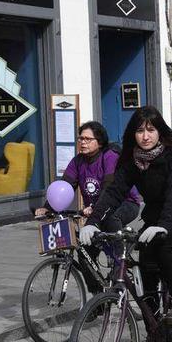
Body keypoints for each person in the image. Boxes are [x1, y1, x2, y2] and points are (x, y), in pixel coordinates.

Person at [79, 106, 172, 342]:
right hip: (153, 222)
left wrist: (166, 225)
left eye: (150, 129)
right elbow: (113, 193)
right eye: (139, 130)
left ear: (159, 131)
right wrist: (92, 223)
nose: (145, 136)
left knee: (164, 243)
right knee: (146, 270)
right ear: (132, 134)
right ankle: (155, 334)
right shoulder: (131, 160)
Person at [35, 122, 140, 286]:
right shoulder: (77, 161)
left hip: (125, 203)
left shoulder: (110, 156)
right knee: (84, 252)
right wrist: (48, 207)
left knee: (111, 218)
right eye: (80, 138)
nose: (83, 142)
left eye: (87, 139)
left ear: (99, 142)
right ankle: (97, 297)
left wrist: (96, 207)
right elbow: (66, 185)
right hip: (95, 210)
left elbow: (109, 187)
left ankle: (120, 266)